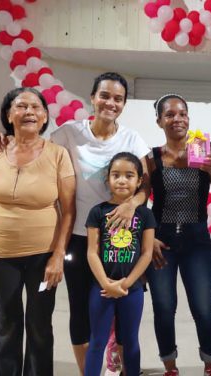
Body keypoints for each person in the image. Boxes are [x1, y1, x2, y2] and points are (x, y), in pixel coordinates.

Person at [0, 72, 150, 375]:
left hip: (119, 241)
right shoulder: (67, 134)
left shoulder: (132, 139)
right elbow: (32, 147)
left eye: (118, 98)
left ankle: (123, 367)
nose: (110, 103)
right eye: (104, 96)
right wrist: (1, 138)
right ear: (93, 97)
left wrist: (131, 203)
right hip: (77, 238)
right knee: (80, 312)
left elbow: (145, 186)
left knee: (121, 310)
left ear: (124, 104)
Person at [0, 87, 76, 375]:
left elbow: (68, 211)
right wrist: (3, 224)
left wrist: (58, 256)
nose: (29, 112)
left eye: (36, 107)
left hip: (43, 257)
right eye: (21, 106)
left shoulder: (58, 155)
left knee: (40, 323)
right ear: (8, 114)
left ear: (44, 117)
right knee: (7, 323)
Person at [143, 93, 211, 376]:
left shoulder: (204, 148)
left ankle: (210, 365)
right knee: (164, 308)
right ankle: (170, 367)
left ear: (188, 118)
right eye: (169, 115)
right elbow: (140, 203)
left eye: (182, 114)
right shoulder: (152, 159)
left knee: (204, 308)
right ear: (159, 121)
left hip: (197, 240)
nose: (177, 119)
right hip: (161, 240)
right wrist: (148, 238)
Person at [84, 152, 156, 376]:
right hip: (102, 290)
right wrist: (106, 283)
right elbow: (92, 252)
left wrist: (126, 283)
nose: (122, 180)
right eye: (116, 175)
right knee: (97, 341)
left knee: (131, 341)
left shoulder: (145, 215)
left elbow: (146, 253)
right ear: (108, 179)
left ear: (139, 181)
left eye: (129, 175)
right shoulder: (97, 212)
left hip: (131, 290)